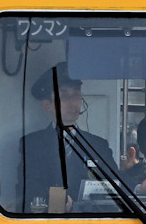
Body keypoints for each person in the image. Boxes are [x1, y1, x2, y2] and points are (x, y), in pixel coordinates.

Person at [9, 73, 118, 212]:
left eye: (77, 95)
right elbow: (28, 187)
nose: (73, 102)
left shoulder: (98, 145)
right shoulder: (32, 144)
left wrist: (138, 186)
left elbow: (115, 184)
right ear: (47, 105)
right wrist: (59, 202)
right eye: (65, 96)